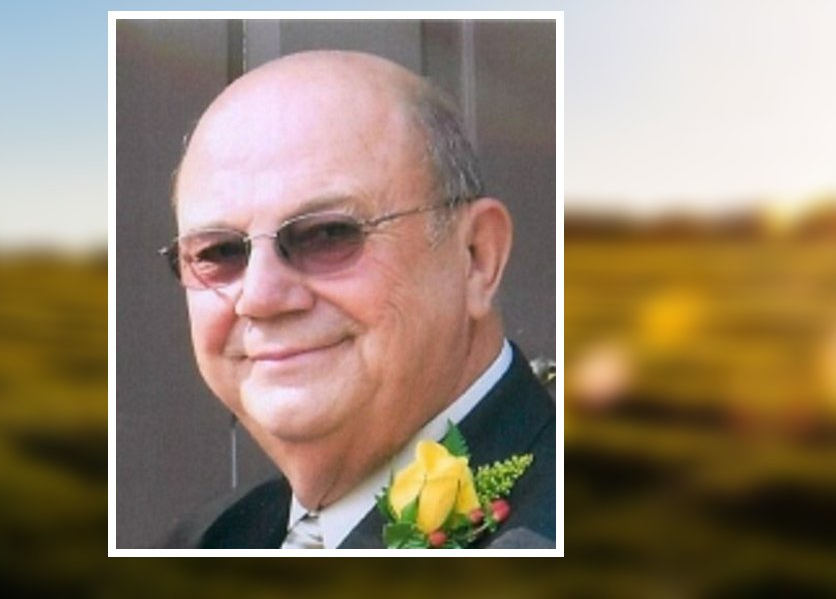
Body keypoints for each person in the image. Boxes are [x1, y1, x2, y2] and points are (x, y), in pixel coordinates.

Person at [156, 50, 555, 549]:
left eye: (327, 235)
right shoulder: (214, 537)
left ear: (477, 256)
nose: (260, 297)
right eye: (218, 252)